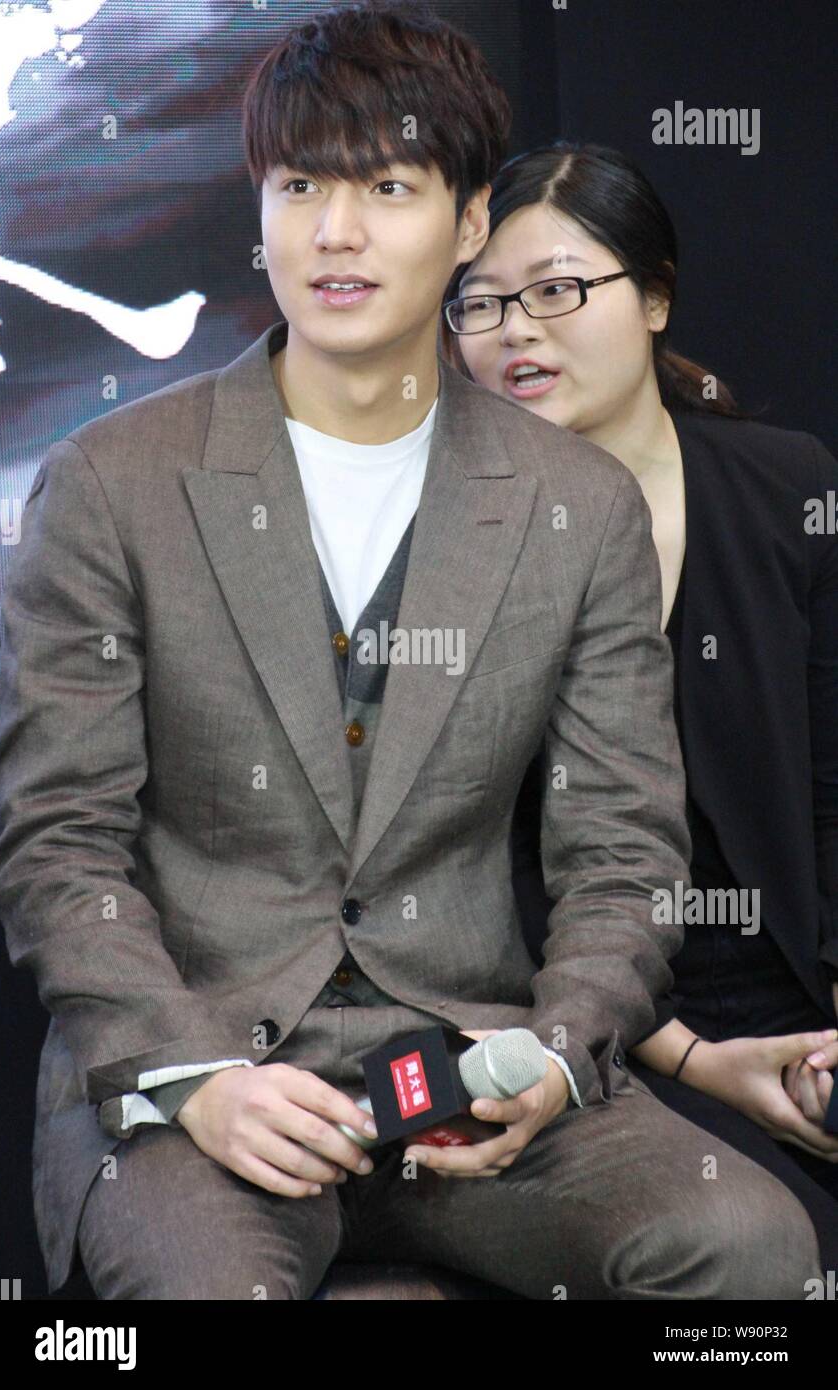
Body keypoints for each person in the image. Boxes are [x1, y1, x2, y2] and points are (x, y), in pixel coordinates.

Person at [0, 4, 825, 1301]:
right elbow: (58, 838)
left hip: (473, 1073)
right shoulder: (112, 481)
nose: (335, 231)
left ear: (469, 222)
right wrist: (190, 1077)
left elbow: (621, 841)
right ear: (257, 213)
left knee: (753, 1245)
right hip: (199, 1088)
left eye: (387, 186)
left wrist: (557, 1048)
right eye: (300, 186)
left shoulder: (570, 503)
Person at [441, 139, 838, 1269]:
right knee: (786, 1246)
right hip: (594, 1021)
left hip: (792, 982)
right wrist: (694, 1059)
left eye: (559, 290)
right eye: (480, 304)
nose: (518, 328)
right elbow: (487, 870)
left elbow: (830, 785)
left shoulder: (787, 486)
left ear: (653, 295)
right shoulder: (446, 550)